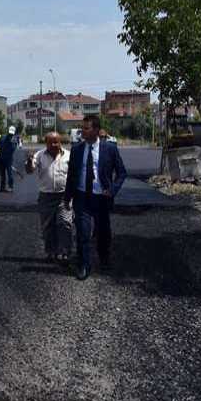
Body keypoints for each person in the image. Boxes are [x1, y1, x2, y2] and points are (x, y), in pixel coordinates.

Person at [63, 114, 127, 280]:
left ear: (96, 130)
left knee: (103, 232)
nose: (82, 131)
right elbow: (71, 175)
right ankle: (84, 264)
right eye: (82, 128)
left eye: (86, 128)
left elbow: (122, 173)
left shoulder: (110, 149)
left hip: (102, 199)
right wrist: (67, 197)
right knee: (83, 233)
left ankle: (104, 259)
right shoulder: (77, 149)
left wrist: (112, 190)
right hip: (82, 197)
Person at [26, 132, 73, 262]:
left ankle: (65, 252)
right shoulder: (39, 155)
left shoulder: (69, 155)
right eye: (50, 142)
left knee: (65, 223)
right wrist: (29, 161)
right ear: (45, 143)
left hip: (64, 196)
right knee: (48, 226)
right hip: (46, 196)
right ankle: (51, 252)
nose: (54, 145)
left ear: (60, 142)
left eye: (56, 142)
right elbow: (30, 170)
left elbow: (75, 174)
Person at [0, 126, 19, 192]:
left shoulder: (14, 140)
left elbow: (13, 149)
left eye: (12, 133)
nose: (11, 134)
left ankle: (10, 187)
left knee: (9, 173)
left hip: (8, 160)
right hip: (1, 159)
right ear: (8, 131)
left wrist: (11, 142)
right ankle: (2, 187)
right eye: (10, 133)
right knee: (2, 174)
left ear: (14, 133)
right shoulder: (2, 137)